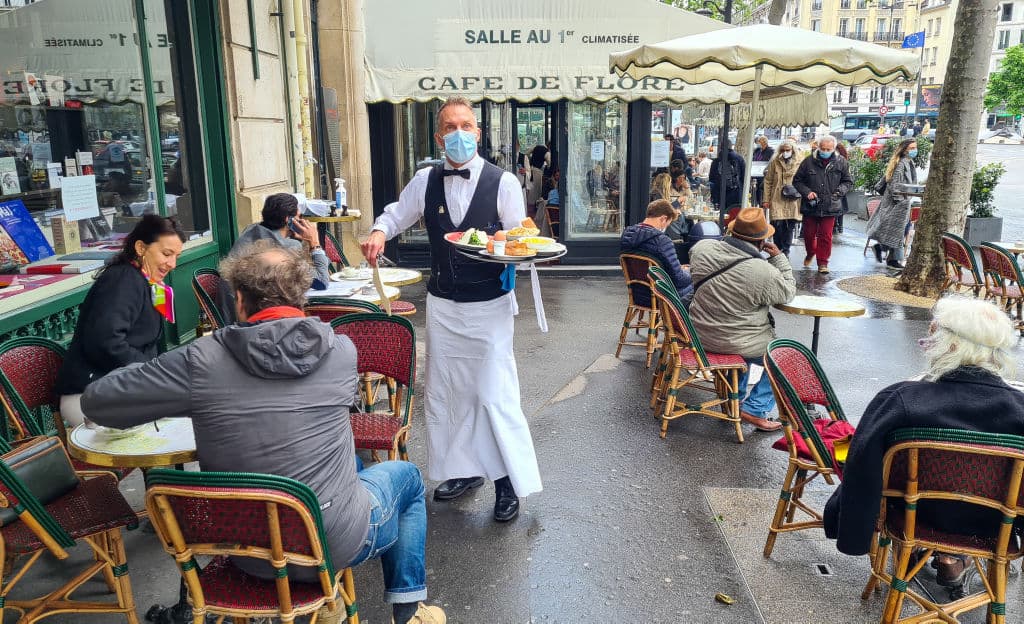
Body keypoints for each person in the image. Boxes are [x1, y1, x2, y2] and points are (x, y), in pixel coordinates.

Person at [79, 243, 444, 624]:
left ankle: (338, 599)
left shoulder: (202, 361)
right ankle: (407, 612)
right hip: (334, 542)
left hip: (246, 549)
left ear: (239, 300)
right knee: (407, 478)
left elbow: (98, 401)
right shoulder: (341, 352)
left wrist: (164, 375)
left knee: (348, 463)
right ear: (301, 296)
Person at [361, 97, 542, 523]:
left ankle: (505, 481)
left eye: (466, 125)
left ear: (477, 133)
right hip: (444, 305)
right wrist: (377, 232)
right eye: (449, 126)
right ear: (439, 135)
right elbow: (394, 215)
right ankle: (464, 471)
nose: (458, 133)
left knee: (491, 394)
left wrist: (513, 248)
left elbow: (521, 241)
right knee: (450, 392)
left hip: (490, 305)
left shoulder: (503, 182)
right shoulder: (425, 180)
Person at [823, 296, 1024, 587]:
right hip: (993, 526)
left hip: (913, 518)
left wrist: (854, 533)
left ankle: (937, 555)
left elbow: (862, 465)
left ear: (949, 345)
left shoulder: (900, 399)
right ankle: (955, 559)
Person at [55, 215, 184, 427]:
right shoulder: (122, 280)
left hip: (120, 385)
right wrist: (150, 373)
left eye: (177, 256)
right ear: (141, 248)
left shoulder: (142, 280)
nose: (173, 264)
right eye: (166, 254)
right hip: (90, 394)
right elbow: (105, 342)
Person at [688, 208, 795, 432]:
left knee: (743, 335)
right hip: (735, 341)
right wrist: (778, 257)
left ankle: (734, 400)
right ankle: (754, 409)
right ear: (763, 240)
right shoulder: (762, 271)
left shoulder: (701, 249)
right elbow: (787, 293)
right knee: (786, 361)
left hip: (698, 336)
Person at [792, 135, 852, 275]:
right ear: (818, 147)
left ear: (833, 148)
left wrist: (839, 192)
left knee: (826, 235)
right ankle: (811, 252)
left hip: (831, 205)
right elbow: (797, 181)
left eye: (828, 149)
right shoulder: (808, 162)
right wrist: (807, 192)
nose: (825, 151)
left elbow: (848, 181)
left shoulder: (841, 162)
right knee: (808, 234)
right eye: (823, 148)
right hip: (811, 205)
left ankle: (823, 262)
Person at [620, 199, 693, 303]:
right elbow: (679, 279)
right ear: (663, 219)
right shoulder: (661, 241)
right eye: (668, 224)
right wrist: (691, 272)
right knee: (700, 282)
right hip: (661, 296)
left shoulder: (627, 235)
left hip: (638, 293)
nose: (666, 227)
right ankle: (686, 319)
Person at [866, 139, 917, 270]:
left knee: (900, 230)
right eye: (911, 148)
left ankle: (883, 250)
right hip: (897, 204)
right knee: (898, 231)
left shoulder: (906, 162)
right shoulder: (901, 164)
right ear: (904, 149)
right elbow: (895, 185)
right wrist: (901, 201)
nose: (914, 150)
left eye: (914, 147)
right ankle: (893, 259)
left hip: (899, 202)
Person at [761, 140, 801, 257]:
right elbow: (768, 181)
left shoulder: (799, 162)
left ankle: (786, 250)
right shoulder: (775, 161)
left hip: (792, 198)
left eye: (787, 150)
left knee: (789, 226)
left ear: (792, 150)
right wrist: (766, 200)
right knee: (776, 224)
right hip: (777, 197)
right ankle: (777, 249)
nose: (785, 152)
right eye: (783, 150)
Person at [709, 140, 746, 212]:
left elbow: (711, 178)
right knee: (735, 215)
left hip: (720, 194)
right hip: (736, 194)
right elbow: (744, 177)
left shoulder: (716, 161)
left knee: (721, 216)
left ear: (721, 147)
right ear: (731, 146)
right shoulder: (740, 159)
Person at [751, 136, 775, 207]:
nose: (758, 143)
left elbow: (771, 163)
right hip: (755, 174)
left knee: (762, 194)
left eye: (760, 142)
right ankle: (756, 204)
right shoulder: (757, 150)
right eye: (758, 142)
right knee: (755, 194)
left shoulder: (771, 151)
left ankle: (762, 206)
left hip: (764, 176)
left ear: (764, 142)